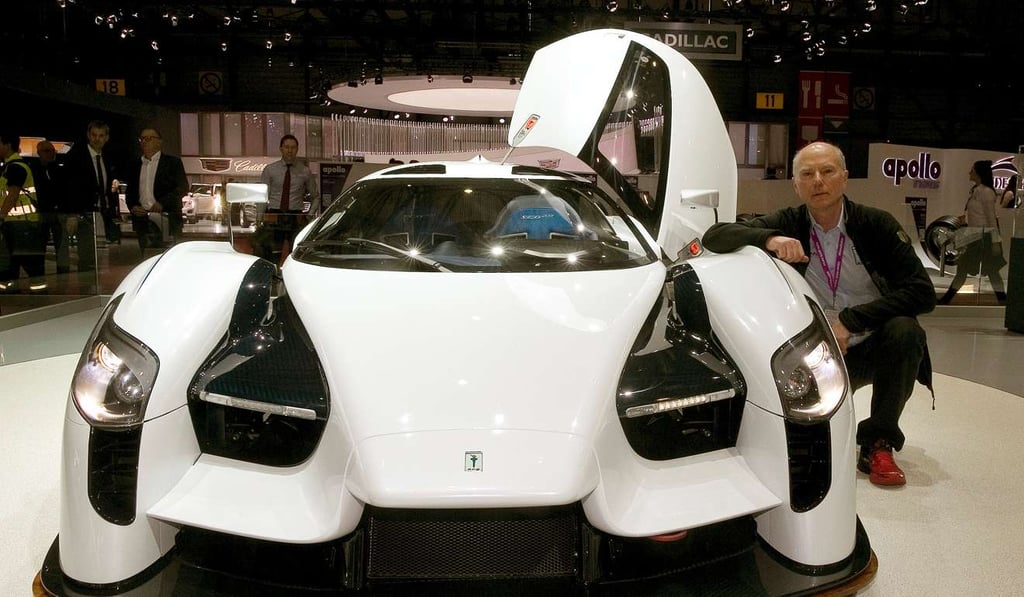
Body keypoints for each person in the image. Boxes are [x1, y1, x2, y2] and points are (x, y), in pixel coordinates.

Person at [702, 141, 935, 487]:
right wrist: (769, 239)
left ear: (844, 178)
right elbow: (716, 235)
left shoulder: (876, 225)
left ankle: (878, 443)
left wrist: (852, 321)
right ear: (796, 184)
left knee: (906, 331)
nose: (818, 181)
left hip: (870, 341)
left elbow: (922, 292)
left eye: (827, 171)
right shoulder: (790, 222)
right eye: (807, 174)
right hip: (816, 350)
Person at [937, 160, 1006, 305]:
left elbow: (991, 219)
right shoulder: (977, 190)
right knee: (970, 269)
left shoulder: (986, 192)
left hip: (982, 237)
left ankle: (1002, 299)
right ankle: (1002, 299)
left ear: (978, 173)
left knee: (989, 271)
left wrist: (995, 241)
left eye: (972, 170)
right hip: (974, 235)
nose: (969, 172)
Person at [65, 120, 122, 280]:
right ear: (88, 136)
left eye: (101, 135)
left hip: (103, 212)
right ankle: (87, 286)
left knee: (106, 253)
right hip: (84, 213)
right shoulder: (76, 157)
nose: (97, 139)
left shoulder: (107, 157)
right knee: (86, 254)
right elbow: (70, 187)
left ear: (106, 138)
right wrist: (73, 213)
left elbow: (109, 186)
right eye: (94, 135)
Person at [255, 134, 319, 264]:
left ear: (297, 149)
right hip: (274, 216)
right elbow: (262, 195)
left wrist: (309, 215)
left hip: (295, 217)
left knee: (295, 255)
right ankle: (271, 278)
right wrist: (259, 216)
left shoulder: (305, 171)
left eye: (293, 147)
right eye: (286, 147)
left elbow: (315, 196)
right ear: (281, 149)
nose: (290, 150)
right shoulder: (270, 170)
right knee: (271, 255)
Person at [124, 127, 188, 252]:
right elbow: (130, 191)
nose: (144, 142)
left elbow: (183, 187)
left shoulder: (172, 163)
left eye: (148, 138)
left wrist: (162, 203)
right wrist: (133, 206)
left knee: (169, 255)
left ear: (159, 141)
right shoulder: (135, 165)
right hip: (142, 218)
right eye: (141, 139)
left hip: (167, 217)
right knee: (146, 256)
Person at [0, 132, 46, 289]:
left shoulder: (15, 168)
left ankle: (37, 294)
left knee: (27, 263)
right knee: (14, 263)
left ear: (7, 145)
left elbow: (12, 195)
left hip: (21, 224)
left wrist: (1, 215)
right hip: (18, 224)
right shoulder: (10, 167)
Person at [33, 140, 72, 274]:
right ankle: (38, 271)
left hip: (58, 212)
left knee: (61, 245)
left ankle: (63, 270)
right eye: (47, 151)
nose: (51, 154)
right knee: (40, 244)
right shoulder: (35, 170)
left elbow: (65, 190)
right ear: (39, 153)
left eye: (52, 151)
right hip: (42, 212)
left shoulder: (60, 169)